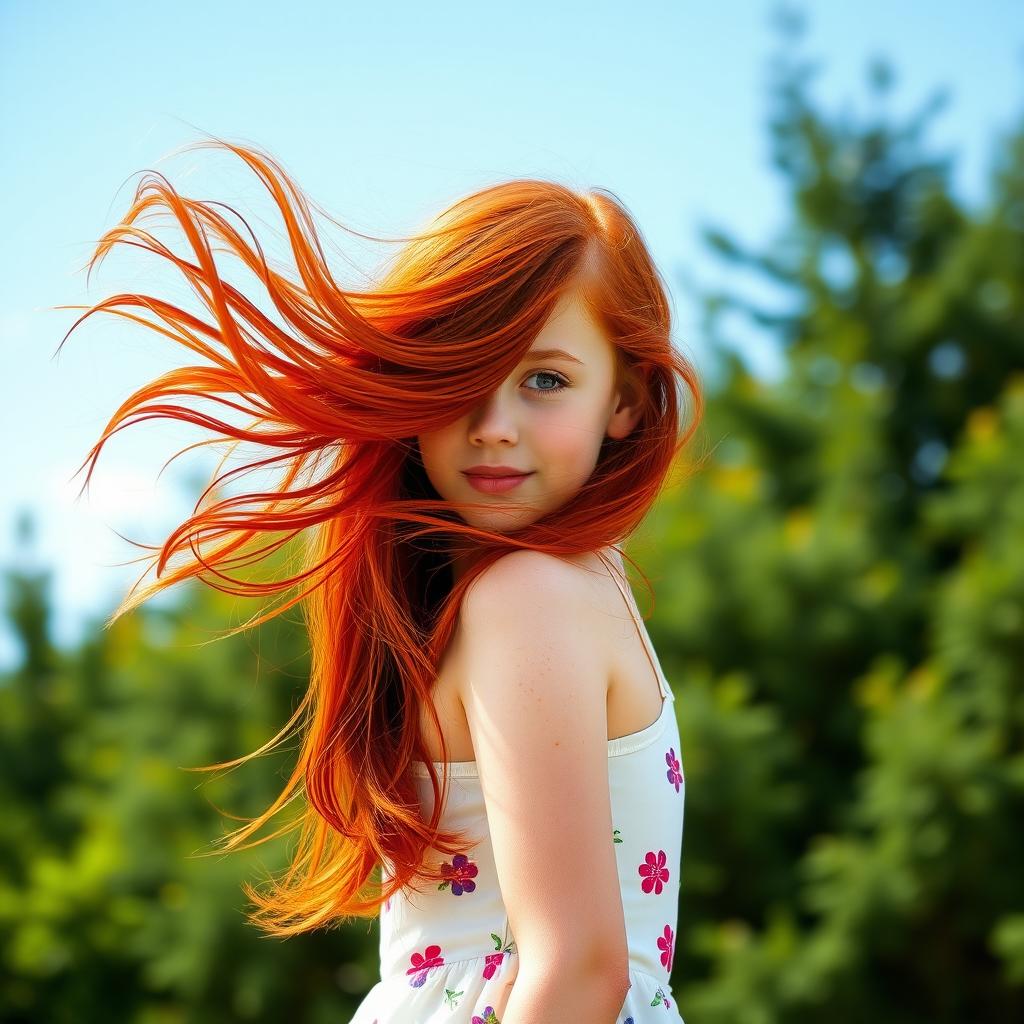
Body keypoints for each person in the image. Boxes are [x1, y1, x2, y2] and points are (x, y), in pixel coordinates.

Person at [56, 135, 705, 1023]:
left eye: (545, 380)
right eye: (462, 375)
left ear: (626, 401)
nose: (494, 426)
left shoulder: (529, 597)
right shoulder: (575, 585)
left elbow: (581, 971)